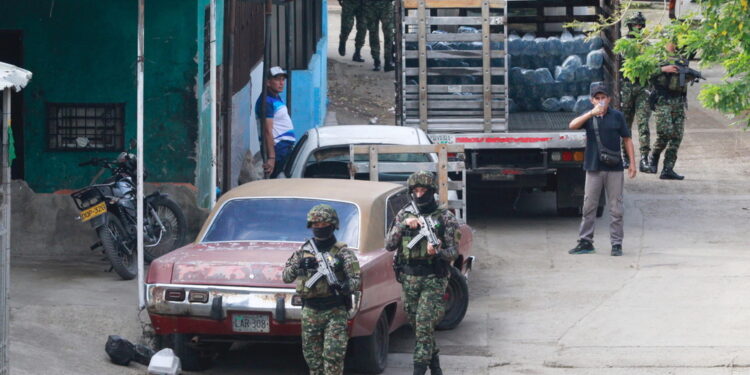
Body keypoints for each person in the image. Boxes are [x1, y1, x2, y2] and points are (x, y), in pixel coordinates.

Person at [385, 171, 460, 375]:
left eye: (423, 190)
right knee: (419, 328)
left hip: (434, 278)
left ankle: (418, 370)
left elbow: (454, 251)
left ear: (432, 191)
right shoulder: (404, 214)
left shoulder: (445, 218)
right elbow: (389, 245)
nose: (419, 195)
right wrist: (403, 225)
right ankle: (436, 368)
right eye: (415, 191)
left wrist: (438, 252)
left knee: (424, 324)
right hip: (409, 278)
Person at [282, 204, 361, 375]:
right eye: (315, 225)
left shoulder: (343, 253)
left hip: (335, 311)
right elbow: (286, 277)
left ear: (332, 225)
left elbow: (356, 280)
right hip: (310, 312)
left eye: (323, 225)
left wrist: (344, 286)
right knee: (313, 362)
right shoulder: (303, 252)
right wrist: (299, 265)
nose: (319, 229)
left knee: (333, 358)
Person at [568, 82, 636, 257]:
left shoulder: (617, 117)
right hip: (593, 167)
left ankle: (616, 243)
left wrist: (633, 164)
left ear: (609, 99)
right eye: (597, 98)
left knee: (616, 208)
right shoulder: (589, 117)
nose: (600, 101)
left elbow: (627, 139)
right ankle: (585, 241)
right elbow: (572, 125)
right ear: (592, 100)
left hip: (614, 168)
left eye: (603, 98)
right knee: (589, 205)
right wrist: (591, 113)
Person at [647, 40, 691, 180]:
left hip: (678, 101)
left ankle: (668, 169)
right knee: (664, 133)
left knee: (677, 136)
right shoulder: (656, 57)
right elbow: (644, 74)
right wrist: (662, 69)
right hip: (663, 101)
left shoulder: (682, 58)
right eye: (671, 42)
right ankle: (654, 156)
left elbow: (683, 81)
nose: (674, 44)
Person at [620, 12, 654, 173]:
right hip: (627, 86)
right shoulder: (624, 43)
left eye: (641, 25)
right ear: (629, 25)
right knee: (625, 124)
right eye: (635, 25)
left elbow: (653, 63)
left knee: (643, 123)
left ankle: (645, 158)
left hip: (643, 86)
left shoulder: (647, 43)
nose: (638, 27)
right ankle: (625, 157)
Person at [255, 66, 296, 178]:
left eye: (283, 79)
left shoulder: (276, 97)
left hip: (284, 148)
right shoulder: (266, 102)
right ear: (268, 82)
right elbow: (267, 130)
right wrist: (272, 157)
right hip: (278, 150)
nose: (281, 83)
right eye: (277, 79)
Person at [365, 0, 395, 72]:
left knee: (388, 34)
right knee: (374, 33)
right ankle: (378, 61)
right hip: (372, 6)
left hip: (381, 6)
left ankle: (386, 62)